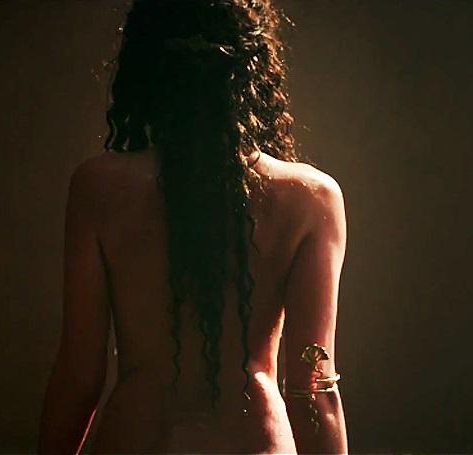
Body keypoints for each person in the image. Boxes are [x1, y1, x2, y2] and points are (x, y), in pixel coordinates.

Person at [38, 0, 348, 453]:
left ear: (145, 67)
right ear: (253, 68)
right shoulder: (310, 199)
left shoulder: (98, 188)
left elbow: (80, 377)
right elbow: (313, 388)